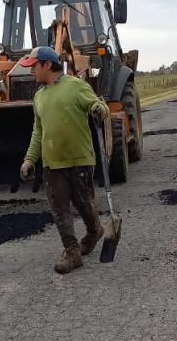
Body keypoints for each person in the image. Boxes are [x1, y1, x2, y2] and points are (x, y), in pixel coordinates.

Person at [18, 46, 110, 274]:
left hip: (79, 159)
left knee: (83, 203)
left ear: (47, 65)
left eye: (33, 67)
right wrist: (30, 159)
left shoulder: (76, 86)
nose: (31, 73)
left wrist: (99, 108)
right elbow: (37, 131)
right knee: (59, 209)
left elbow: (98, 106)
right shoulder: (39, 96)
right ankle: (72, 252)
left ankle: (94, 230)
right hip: (52, 163)